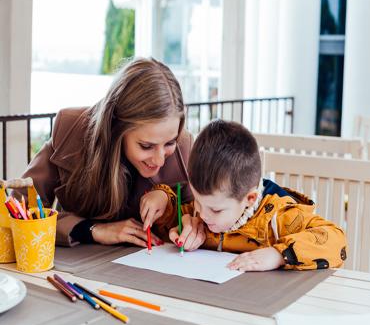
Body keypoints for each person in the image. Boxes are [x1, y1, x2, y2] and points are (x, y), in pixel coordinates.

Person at [18, 58, 193, 247]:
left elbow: (208, 214)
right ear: (116, 126)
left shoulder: (185, 148)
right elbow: (19, 208)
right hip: (77, 266)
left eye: (169, 142)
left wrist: (175, 207)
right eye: (146, 146)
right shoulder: (71, 131)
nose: (159, 160)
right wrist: (90, 230)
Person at [152, 120, 347, 271]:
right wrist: (163, 200)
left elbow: (336, 240)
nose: (202, 215)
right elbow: (167, 224)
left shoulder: (280, 217)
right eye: (198, 202)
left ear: (249, 199)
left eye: (216, 209)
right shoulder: (204, 208)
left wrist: (278, 255)